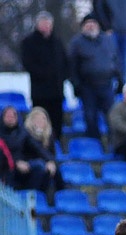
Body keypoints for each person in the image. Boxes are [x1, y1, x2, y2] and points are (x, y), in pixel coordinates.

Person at [69, 13, 120, 140]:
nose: (91, 26)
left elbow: (117, 61)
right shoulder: (76, 43)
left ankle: (113, 143)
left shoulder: (108, 40)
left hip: (107, 85)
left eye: (93, 23)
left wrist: (120, 80)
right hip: (87, 87)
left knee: (112, 117)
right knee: (90, 117)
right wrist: (76, 85)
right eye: (88, 23)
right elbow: (72, 66)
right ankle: (94, 143)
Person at [20, 11, 69, 141]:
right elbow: (28, 64)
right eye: (43, 23)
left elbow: (65, 62)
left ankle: (56, 144)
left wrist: (62, 77)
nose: (46, 26)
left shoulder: (57, 41)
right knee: (38, 119)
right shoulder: (28, 42)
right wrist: (45, 75)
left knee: (57, 121)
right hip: (39, 91)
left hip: (57, 91)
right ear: (37, 25)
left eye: (48, 23)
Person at [0, 106, 56, 193]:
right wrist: (16, 163)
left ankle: (33, 195)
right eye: (8, 116)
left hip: (22, 167)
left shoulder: (23, 133)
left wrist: (50, 160)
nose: (10, 118)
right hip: (5, 168)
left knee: (40, 166)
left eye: (13, 116)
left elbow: (38, 148)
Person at [95, 0, 126, 87]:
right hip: (111, 33)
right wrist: (106, 27)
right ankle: (111, 88)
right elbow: (99, 9)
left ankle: (123, 88)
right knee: (111, 62)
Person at [23, 107, 65, 192]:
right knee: (40, 166)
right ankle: (33, 194)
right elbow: (36, 150)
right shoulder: (25, 134)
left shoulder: (50, 136)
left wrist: (51, 163)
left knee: (55, 169)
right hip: (28, 165)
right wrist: (50, 161)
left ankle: (61, 193)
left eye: (43, 119)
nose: (40, 121)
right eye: (37, 119)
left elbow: (52, 154)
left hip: (45, 165)